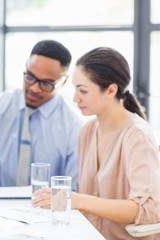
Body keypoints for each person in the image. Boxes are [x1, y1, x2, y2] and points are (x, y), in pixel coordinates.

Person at [33, 47, 160, 239]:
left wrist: (76, 200)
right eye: (75, 89)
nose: (76, 98)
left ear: (111, 90)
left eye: (83, 90)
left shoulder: (137, 136)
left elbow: (149, 210)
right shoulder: (88, 131)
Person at [0, 40, 83, 193]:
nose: (34, 88)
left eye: (46, 83)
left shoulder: (74, 125)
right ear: (25, 67)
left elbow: (74, 188)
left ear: (63, 81)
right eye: (30, 77)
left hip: (50, 209)